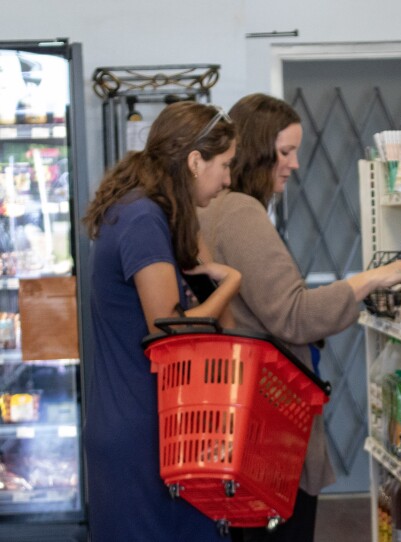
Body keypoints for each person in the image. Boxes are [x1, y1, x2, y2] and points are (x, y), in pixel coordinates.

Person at [199, 93, 401, 542]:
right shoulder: (238, 211)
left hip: (239, 426)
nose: (294, 164)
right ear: (257, 149)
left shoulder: (216, 209)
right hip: (268, 432)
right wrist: (371, 279)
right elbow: (294, 316)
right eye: (285, 151)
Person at [83, 101, 241, 541]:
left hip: (141, 425)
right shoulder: (142, 219)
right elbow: (168, 330)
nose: (228, 180)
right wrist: (232, 282)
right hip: (142, 433)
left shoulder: (144, 212)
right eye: (224, 165)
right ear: (194, 161)